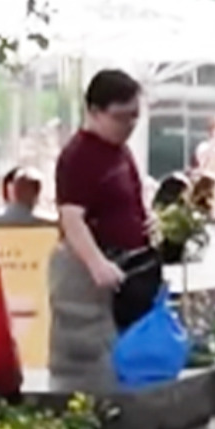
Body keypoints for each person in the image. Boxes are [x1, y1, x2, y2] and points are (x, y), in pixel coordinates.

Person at [51, 68, 152, 394]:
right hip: (90, 273)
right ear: (94, 111)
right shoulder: (79, 156)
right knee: (90, 360)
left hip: (126, 267)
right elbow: (71, 218)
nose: (130, 126)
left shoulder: (120, 151)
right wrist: (96, 263)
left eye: (135, 116)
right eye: (122, 117)